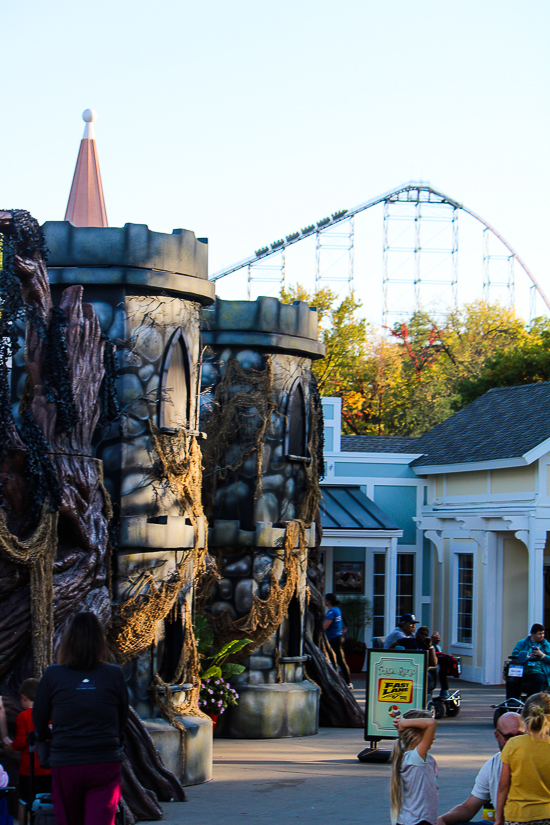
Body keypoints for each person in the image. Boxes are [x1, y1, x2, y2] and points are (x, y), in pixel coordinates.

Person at [33, 612, 129, 825]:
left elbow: (39, 717)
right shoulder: (114, 674)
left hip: (66, 760)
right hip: (104, 758)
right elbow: (122, 716)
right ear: (99, 641)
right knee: (101, 819)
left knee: (67, 818)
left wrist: (44, 736)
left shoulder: (53, 675)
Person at [436, 712, 526, 825]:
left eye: (519, 736)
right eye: (508, 737)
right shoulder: (493, 764)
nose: (514, 742)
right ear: (497, 736)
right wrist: (443, 819)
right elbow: (469, 807)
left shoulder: (535, 760)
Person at [0, 678, 52, 825]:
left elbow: (22, 741)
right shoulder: (49, 713)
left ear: (23, 697)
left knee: (24, 800)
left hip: (28, 769)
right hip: (47, 767)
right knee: (47, 798)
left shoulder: (23, 716)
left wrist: (10, 746)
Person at [496, 692, 550, 825]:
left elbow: (503, 786)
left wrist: (498, 819)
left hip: (517, 815)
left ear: (523, 717)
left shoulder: (513, 745)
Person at [390, 709, 438, 825]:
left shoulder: (420, 758)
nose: (433, 738)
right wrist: (403, 723)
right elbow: (431, 723)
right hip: (417, 821)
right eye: (430, 734)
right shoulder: (414, 758)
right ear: (415, 736)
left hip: (419, 820)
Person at [506, 623, 550, 699]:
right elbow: (514, 655)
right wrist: (527, 656)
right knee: (511, 680)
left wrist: (542, 655)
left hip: (538, 672)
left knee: (539, 679)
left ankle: (534, 701)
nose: (542, 636)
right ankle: (512, 702)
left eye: (543, 634)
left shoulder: (546, 645)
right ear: (532, 633)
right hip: (523, 671)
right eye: (539, 634)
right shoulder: (522, 643)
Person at [323, 593, 353, 688]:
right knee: (339, 660)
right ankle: (347, 682)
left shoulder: (331, 611)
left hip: (333, 638)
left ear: (328, 601)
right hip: (338, 637)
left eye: (325, 599)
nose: (324, 601)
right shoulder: (337, 610)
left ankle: (343, 682)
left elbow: (325, 626)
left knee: (335, 660)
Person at [400, 627, 438, 693]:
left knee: (427, 676)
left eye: (425, 635)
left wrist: (430, 647)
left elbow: (434, 663)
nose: (423, 636)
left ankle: (424, 697)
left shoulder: (428, 644)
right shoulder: (406, 641)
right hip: (407, 669)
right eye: (421, 634)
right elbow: (392, 648)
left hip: (422, 671)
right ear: (416, 634)